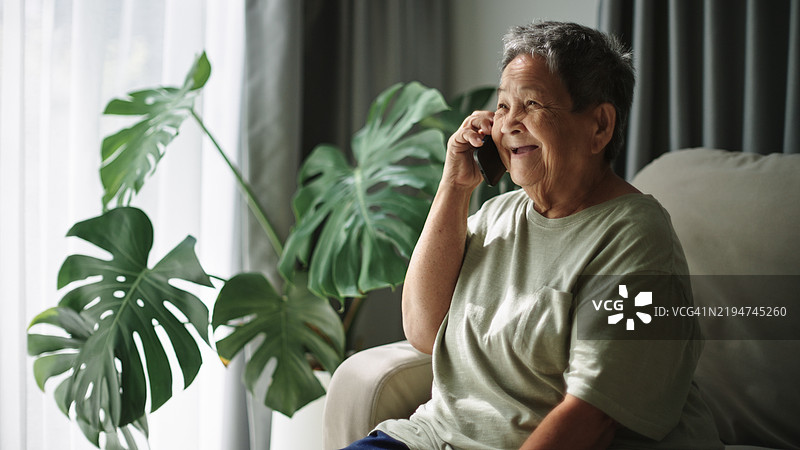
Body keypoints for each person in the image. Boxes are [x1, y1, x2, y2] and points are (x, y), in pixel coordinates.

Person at [344, 21, 722, 450]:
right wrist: (455, 185)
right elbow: (425, 330)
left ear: (599, 125)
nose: (509, 124)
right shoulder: (496, 215)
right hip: (432, 439)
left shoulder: (635, 237)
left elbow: (591, 417)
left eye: (532, 104)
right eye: (503, 107)